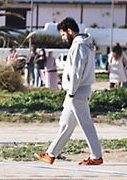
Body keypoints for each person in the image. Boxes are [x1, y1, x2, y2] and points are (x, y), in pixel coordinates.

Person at [37, 17, 103, 166]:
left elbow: (76, 72)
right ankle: (51, 153)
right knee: (65, 124)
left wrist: (71, 91)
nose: (62, 38)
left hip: (77, 91)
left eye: (63, 34)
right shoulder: (86, 44)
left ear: (69, 31)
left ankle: (96, 156)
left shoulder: (79, 46)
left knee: (86, 124)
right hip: (78, 90)